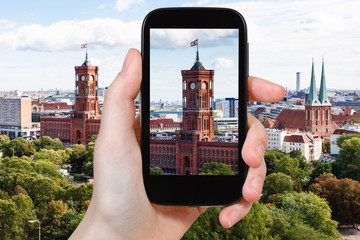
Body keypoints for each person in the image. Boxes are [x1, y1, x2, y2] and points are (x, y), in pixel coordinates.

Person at [69, 49, 285, 239]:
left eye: (200, 85)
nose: (193, 93)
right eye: (190, 86)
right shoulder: (179, 131)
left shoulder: (204, 119)